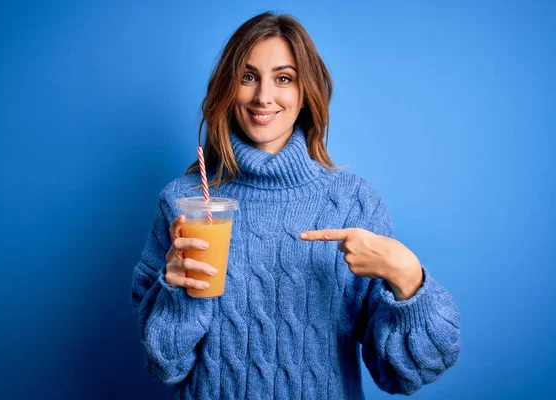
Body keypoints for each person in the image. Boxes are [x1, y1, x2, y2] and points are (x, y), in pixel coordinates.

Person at [131, 11, 460, 400]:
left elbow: (406, 374)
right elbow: (164, 363)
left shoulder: (352, 202)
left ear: (305, 93)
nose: (263, 97)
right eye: (247, 76)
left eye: (283, 78)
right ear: (227, 87)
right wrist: (175, 290)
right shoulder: (183, 203)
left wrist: (407, 276)